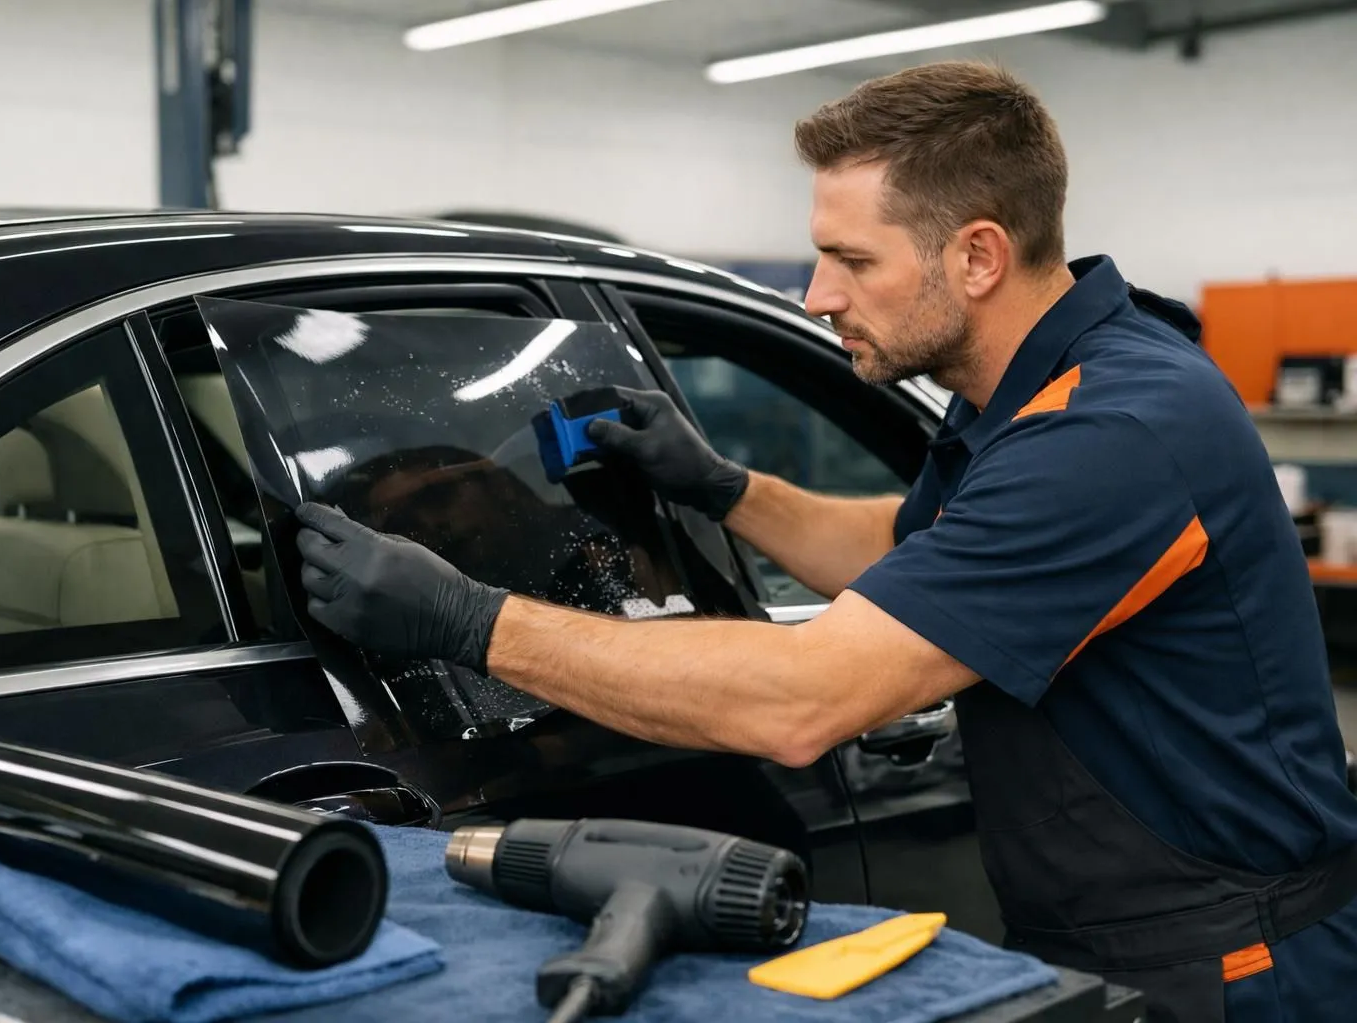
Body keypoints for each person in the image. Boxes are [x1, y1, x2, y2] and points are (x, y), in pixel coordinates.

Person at [293, 61, 1357, 1020]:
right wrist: (725, 488)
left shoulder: (1113, 430)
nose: (817, 296)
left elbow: (802, 701)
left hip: (1230, 966)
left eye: (852, 260)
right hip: (1130, 936)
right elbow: (915, 548)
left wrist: (469, 620)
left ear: (978, 255)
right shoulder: (1026, 391)